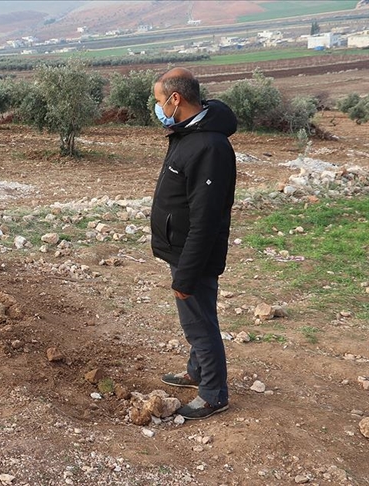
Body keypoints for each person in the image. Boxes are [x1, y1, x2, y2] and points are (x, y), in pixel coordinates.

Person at [150, 67, 237, 420]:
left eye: (158, 100)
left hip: (194, 255)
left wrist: (185, 275)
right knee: (197, 318)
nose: (156, 108)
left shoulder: (210, 146)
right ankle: (197, 371)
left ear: (176, 99)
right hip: (182, 248)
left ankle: (214, 393)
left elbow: (206, 219)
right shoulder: (188, 133)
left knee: (199, 324)